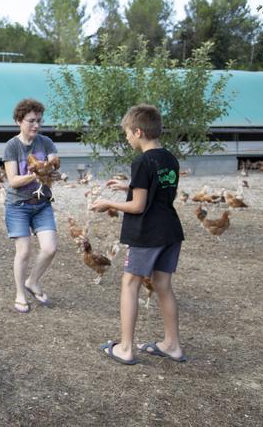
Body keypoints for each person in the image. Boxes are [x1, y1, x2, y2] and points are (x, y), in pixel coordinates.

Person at [91, 104, 187, 365]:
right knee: (163, 285)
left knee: (130, 284)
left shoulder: (142, 160)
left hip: (148, 233)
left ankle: (125, 348)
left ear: (138, 131)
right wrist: (130, 186)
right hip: (170, 230)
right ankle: (172, 345)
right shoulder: (169, 158)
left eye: (127, 133)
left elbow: (138, 206)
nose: (126, 137)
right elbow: (162, 190)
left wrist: (108, 204)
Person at [3, 98, 59, 313]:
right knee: (24, 252)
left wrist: (52, 167)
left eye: (39, 121)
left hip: (42, 203)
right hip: (18, 205)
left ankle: (32, 282)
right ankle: (19, 292)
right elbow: (14, 180)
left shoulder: (45, 142)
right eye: (31, 121)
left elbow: (53, 161)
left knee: (50, 248)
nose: (36, 125)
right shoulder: (12, 146)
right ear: (19, 120)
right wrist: (36, 173)